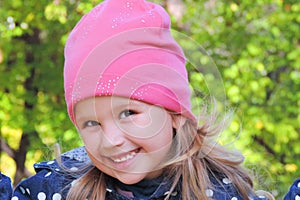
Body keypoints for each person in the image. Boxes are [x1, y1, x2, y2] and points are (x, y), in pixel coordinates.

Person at [11, 0, 275, 199]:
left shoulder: (222, 192)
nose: (111, 140)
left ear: (174, 113)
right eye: (91, 122)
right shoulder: (58, 189)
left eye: (128, 113)